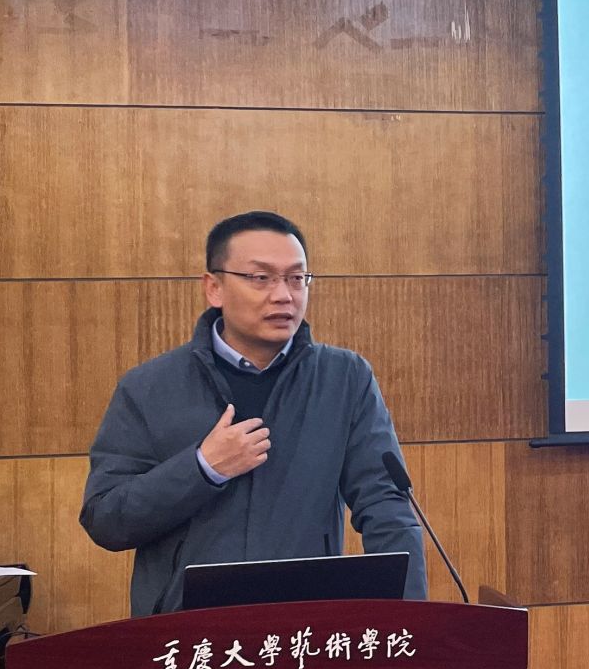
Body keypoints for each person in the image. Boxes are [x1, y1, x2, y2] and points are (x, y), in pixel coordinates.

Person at [80, 210, 427, 614]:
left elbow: (386, 505)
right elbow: (106, 519)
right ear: (214, 288)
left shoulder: (344, 379)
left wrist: (411, 620)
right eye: (261, 278)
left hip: (304, 625)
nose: (284, 295)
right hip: (188, 629)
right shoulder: (149, 387)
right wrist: (202, 468)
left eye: (297, 278)